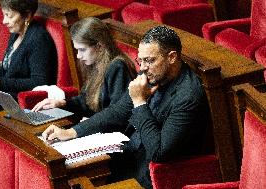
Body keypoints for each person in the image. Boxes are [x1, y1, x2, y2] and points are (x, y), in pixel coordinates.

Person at [42, 26, 210, 188]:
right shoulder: (150, 74)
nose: (143, 67)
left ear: (172, 57)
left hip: (152, 178)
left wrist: (140, 102)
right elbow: (117, 112)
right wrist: (71, 132)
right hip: (127, 160)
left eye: (150, 60)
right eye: (140, 60)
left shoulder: (188, 96)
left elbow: (159, 152)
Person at [32, 17, 137, 122]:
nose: (78, 56)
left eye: (82, 50)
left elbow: (117, 115)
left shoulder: (118, 67)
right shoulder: (96, 62)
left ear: (99, 47)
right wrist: (62, 103)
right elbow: (86, 101)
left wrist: (88, 123)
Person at [0, 0, 57, 111]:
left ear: (27, 15)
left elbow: (39, 82)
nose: (4, 21)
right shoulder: (16, 34)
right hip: (3, 96)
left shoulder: (39, 39)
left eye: (9, 16)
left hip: (19, 103)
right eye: (4, 15)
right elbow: (5, 70)